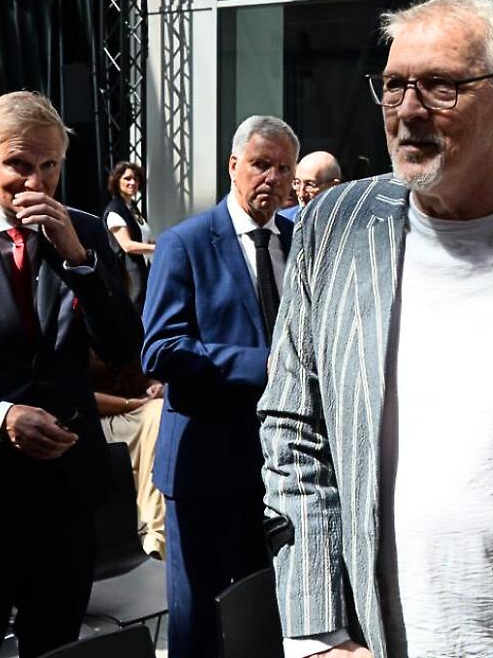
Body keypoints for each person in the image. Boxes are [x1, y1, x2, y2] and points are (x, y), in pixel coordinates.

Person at [258, 0, 493, 658]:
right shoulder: (335, 228)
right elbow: (292, 427)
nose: (409, 112)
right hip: (376, 640)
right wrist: (316, 633)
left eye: (442, 87)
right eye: (394, 86)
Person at [0, 91, 142, 658]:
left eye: (49, 166)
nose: (34, 181)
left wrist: (79, 261)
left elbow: (122, 349)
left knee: (57, 647)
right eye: (18, 164)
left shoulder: (83, 232)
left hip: (66, 493)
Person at [142, 114, 298, 658]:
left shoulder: (300, 239)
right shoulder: (186, 243)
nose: (272, 179)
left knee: (267, 615)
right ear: (233, 166)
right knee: (200, 625)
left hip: (285, 466)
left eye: (283, 168)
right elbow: (160, 349)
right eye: (260, 164)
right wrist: (263, 365)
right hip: (206, 465)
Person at [90, 351, 167, 558]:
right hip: (92, 418)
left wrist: (154, 385)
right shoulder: (67, 328)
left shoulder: (125, 325)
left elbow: (143, 374)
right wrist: (130, 404)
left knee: (163, 411)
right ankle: (152, 528)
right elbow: (74, 395)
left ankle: (158, 531)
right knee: (156, 413)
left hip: (137, 408)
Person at [103, 161, 155, 308]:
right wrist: (158, 248)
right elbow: (127, 246)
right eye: (127, 178)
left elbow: (141, 238)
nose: (133, 182)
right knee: (134, 311)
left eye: (136, 179)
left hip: (142, 269)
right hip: (128, 274)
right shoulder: (115, 209)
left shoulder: (132, 208)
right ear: (117, 181)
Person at [282, 150, 341, 221]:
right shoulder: (284, 221)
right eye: (297, 183)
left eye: (310, 185)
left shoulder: (349, 222)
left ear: (333, 186)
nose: (301, 195)